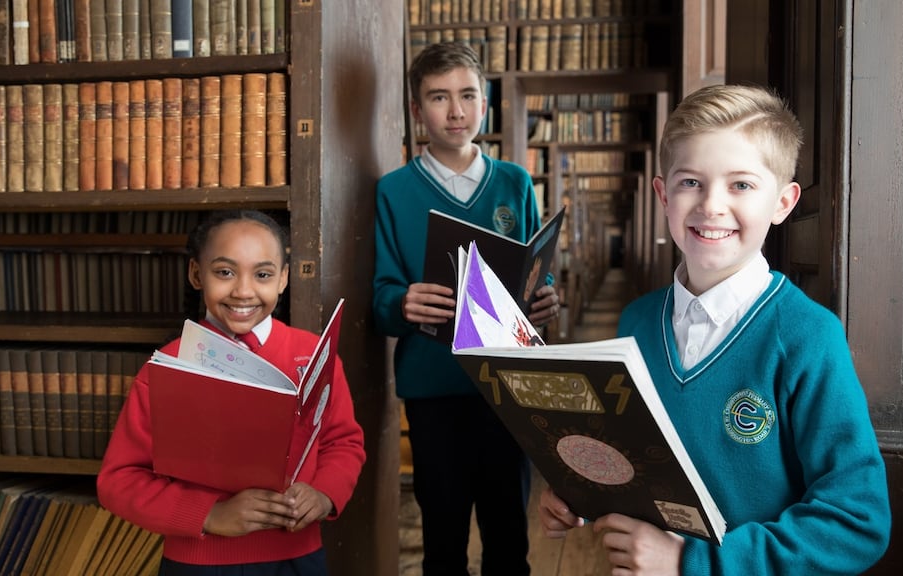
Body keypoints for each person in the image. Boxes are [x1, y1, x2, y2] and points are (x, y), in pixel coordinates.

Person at [538, 84, 891, 575]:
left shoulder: (809, 337)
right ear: (663, 194)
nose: (711, 206)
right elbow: (633, 459)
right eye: (690, 183)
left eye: (741, 185)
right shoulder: (636, 322)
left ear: (783, 203)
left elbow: (858, 521)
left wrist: (692, 562)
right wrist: (580, 492)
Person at [373, 41, 559, 576]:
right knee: (443, 537)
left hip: (507, 385)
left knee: (508, 535)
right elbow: (381, 297)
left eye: (467, 96)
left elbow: (534, 273)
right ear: (416, 111)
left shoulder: (515, 183)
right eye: (438, 97)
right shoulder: (394, 191)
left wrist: (543, 299)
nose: (455, 111)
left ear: (485, 104)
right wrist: (402, 301)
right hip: (433, 389)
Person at [98, 209, 366, 575]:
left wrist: (323, 494)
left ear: (284, 279)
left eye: (263, 274)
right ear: (197, 274)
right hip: (198, 563)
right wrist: (209, 514)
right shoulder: (166, 366)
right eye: (224, 272)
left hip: (297, 556)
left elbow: (343, 442)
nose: (243, 291)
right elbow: (119, 481)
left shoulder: (314, 354)